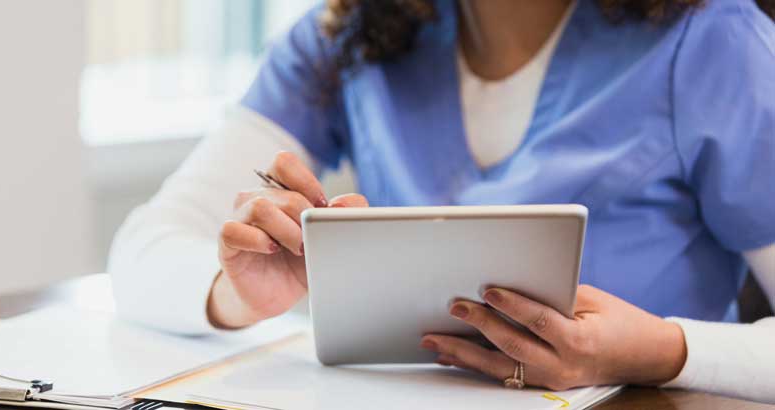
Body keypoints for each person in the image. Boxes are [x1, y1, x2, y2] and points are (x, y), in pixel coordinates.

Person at [109, 0, 775, 403]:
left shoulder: (717, 42)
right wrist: (239, 293)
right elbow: (143, 248)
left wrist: (661, 351)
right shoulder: (348, 33)